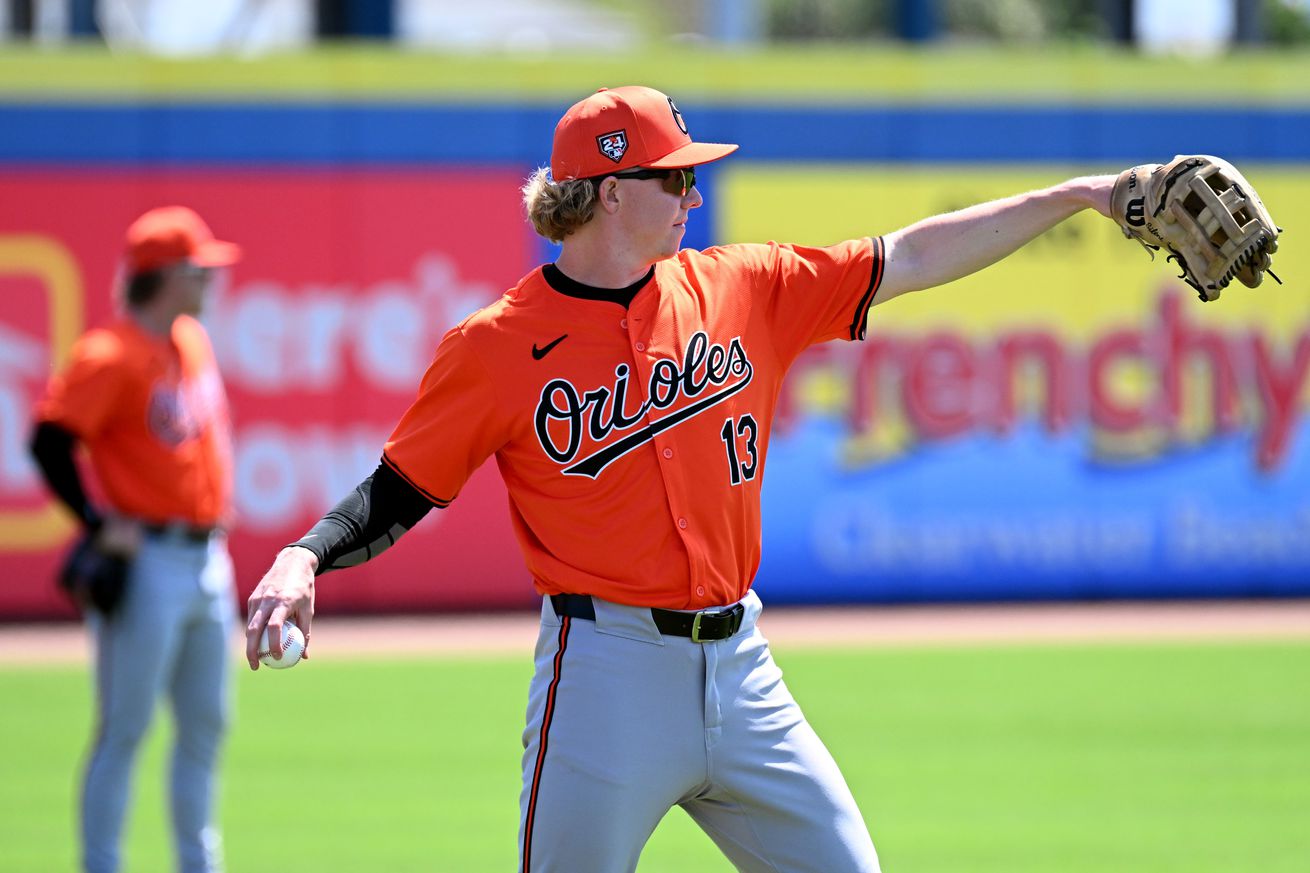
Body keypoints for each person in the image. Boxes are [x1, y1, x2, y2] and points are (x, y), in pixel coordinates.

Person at [245, 85, 1116, 872]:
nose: (694, 197)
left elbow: (911, 258)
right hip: (605, 677)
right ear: (610, 191)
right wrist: (302, 555)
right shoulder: (496, 346)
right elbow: (400, 487)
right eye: (676, 179)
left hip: (743, 668)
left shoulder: (741, 286)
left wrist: (1082, 195)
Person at [30, 205, 241, 873]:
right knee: (125, 727)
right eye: (199, 270)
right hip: (147, 558)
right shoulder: (109, 354)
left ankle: (198, 864)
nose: (209, 281)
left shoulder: (191, 340)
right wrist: (95, 522)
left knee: (206, 725)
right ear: (168, 275)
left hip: (208, 555)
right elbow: (49, 439)